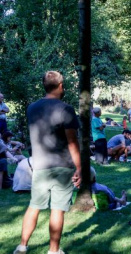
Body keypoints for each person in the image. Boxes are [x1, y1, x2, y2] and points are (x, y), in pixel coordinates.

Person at [14, 71, 81, 254]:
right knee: (57, 210)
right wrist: (80, 167)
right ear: (60, 86)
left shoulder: (32, 108)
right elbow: (72, 141)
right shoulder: (65, 109)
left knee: (34, 206)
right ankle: (53, 251)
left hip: (40, 165)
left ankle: (22, 246)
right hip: (62, 165)